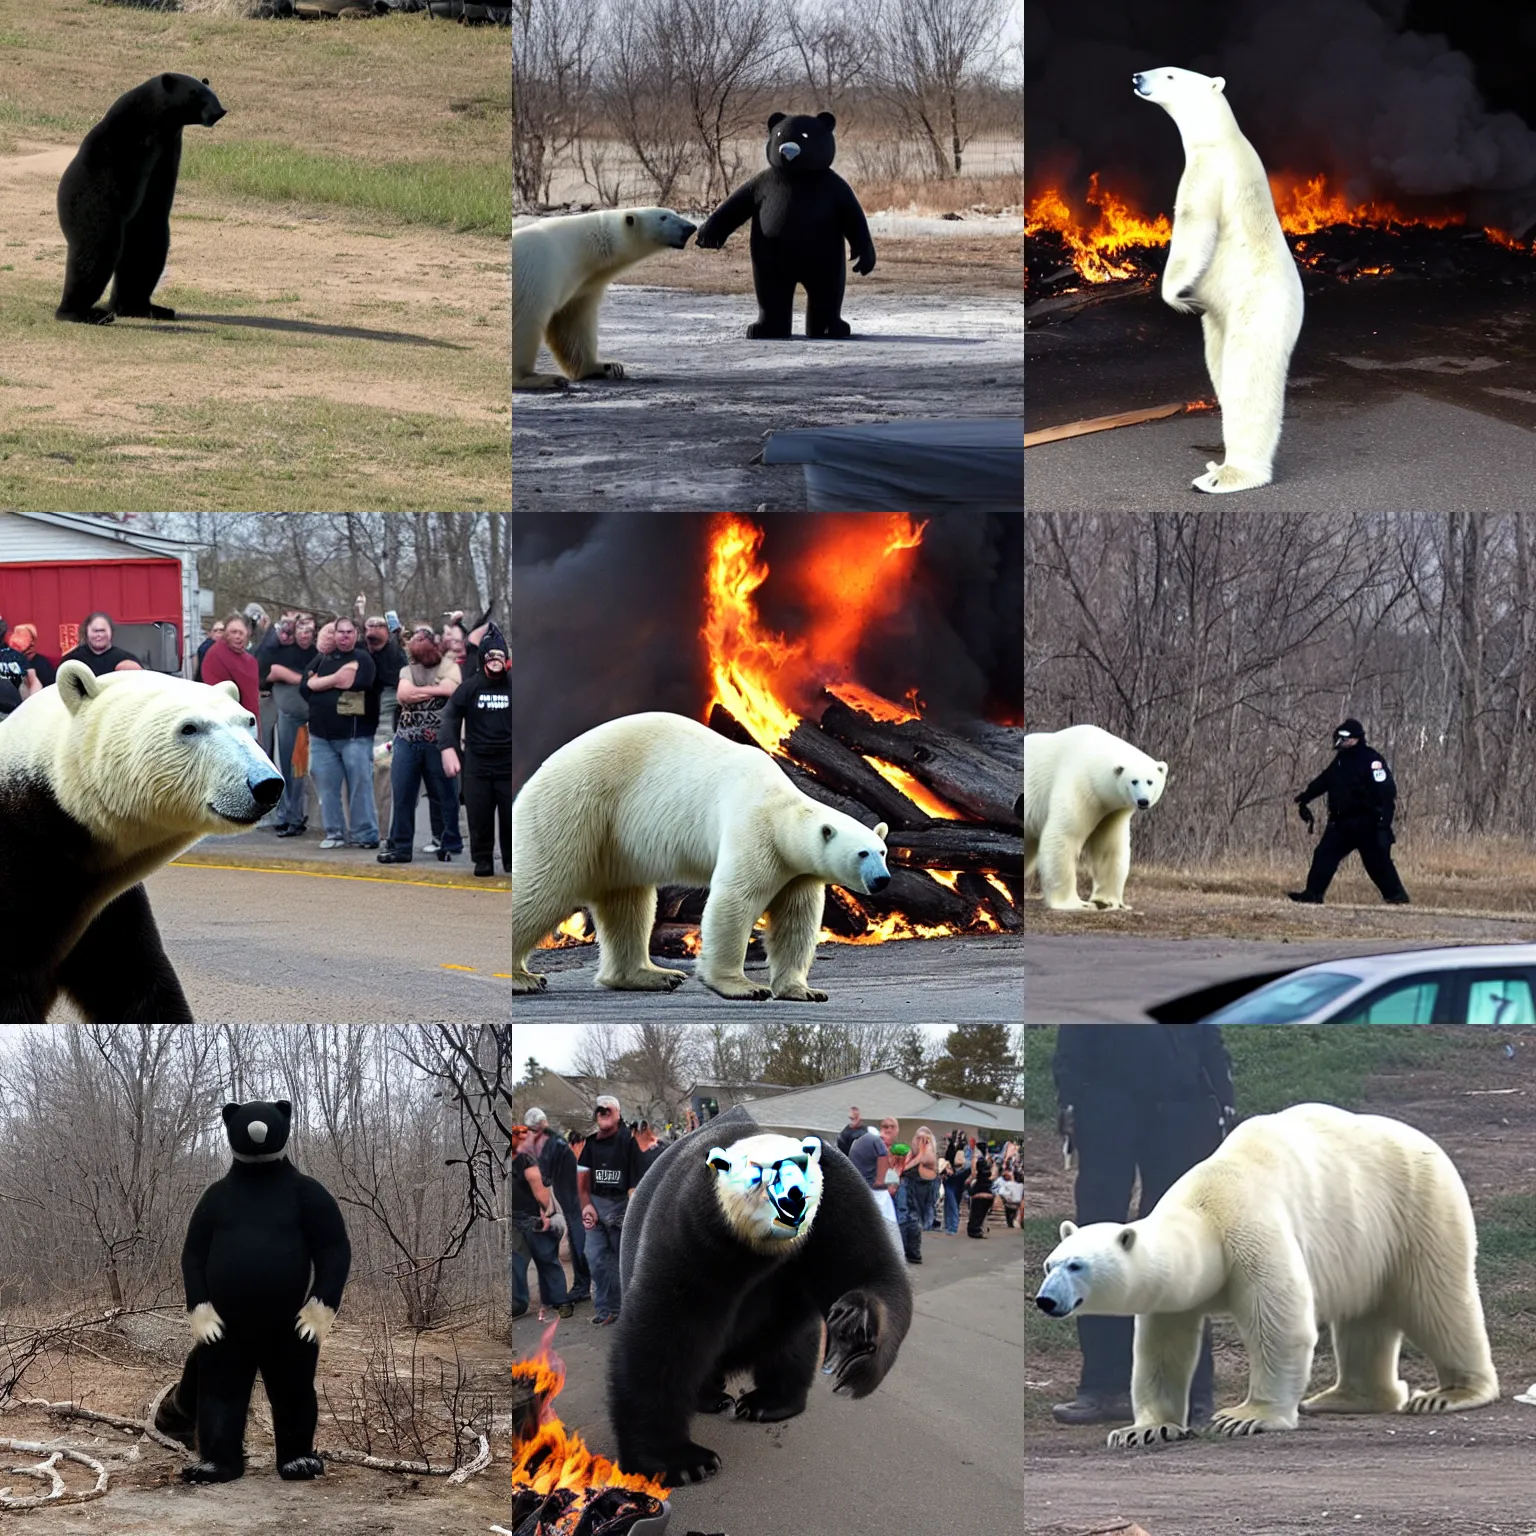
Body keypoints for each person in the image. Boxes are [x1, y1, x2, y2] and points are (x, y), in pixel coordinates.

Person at [1049, 1023, 1234, 1426]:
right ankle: (1103, 1386)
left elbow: (1208, 1032)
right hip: (1105, 1099)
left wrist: (1223, 1094)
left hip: (1184, 1104)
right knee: (1097, 1242)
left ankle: (1187, 1389)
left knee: (1180, 1245)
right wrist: (1069, 1096)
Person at [1290, 717, 1409, 905]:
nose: (1340, 742)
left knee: (1377, 862)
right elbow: (1325, 780)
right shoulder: (1340, 761)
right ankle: (1312, 894)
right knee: (1324, 855)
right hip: (1341, 822)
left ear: (1355, 739)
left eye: (1343, 738)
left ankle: (1396, 897)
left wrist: (1384, 822)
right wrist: (1306, 796)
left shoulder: (1371, 759)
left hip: (1367, 822)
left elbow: (1387, 790)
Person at [377, 629, 462, 865]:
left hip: (440, 740)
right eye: (415, 641)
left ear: (435, 646)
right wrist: (432, 691)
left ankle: (447, 842)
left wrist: (419, 692)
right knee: (403, 794)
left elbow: (451, 691)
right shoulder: (407, 669)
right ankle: (401, 846)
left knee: (444, 794)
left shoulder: (450, 667)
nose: (419, 644)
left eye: (424, 640)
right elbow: (404, 694)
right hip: (406, 738)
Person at [300, 618, 379, 851]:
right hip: (321, 736)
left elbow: (358, 682)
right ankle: (334, 833)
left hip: (355, 736)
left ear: (356, 634)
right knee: (327, 788)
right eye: (339, 632)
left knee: (360, 786)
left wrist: (320, 683)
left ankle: (365, 834)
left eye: (349, 632)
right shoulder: (323, 658)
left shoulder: (363, 658)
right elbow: (304, 687)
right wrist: (334, 680)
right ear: (333, 635)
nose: (344, 636)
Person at [439, 623, 510, 877]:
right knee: (478, 814)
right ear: (483, 660)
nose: (495, 662)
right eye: (490, 657)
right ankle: (482, 859)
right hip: (477, 763)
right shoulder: (470, 687)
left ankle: (512, 860)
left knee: (512, 814)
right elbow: (449, 717)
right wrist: (447, 747)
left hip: (510, 762)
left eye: (499, 658)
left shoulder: (515, 684)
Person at [577, 1095, 642, 1326]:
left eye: (608, 1110)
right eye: (599, 1110)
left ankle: (634, 1311)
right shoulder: (591, 1143)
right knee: (595, 1258)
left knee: (626, 1261)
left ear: (617, 1113)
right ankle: (607, 1310)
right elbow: (582, 1178)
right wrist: (586, 1205)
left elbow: (637, 1181)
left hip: (622, 1206)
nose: (603, 1113)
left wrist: (631, 1210)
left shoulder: (630, 1140)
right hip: (596, 1205)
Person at [525, 1107, 590, 1306]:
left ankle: (582, 1286)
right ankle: (582, 1285)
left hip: (572, 1202)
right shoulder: (556, 1141)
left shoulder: (548, 1145)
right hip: (572, 1200)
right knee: (577, 1242)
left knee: (579, 1245)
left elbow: (545, 1179)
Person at [510, 1124, 572, 1322]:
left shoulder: (527, 1161)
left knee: (547, 1260)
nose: (519, 1137)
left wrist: (547, 1215)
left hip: (533, 1219)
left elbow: (541, 1192)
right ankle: (517, 1305)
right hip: (514, 1220)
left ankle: (561, 1301)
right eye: (515, 1134)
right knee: (516, 1263)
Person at [263, 614, 316, 838]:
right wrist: (304, 678)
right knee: (284, 767)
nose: (305, 634)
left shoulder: (317, 654)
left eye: (309, 630)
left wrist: (294, 677)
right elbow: (269, 670)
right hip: (286, 716)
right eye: (300, 629)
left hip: (309, 719)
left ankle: (296, 817)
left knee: (299, 769)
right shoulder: (280, 651)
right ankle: (285, 815)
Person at [198, 614, 260, 720]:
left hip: (248, 716)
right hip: (223, 716)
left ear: (247, 634)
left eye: (241, 633)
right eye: (233, 632)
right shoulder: (217, 654)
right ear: (226, 634)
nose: (237, 636)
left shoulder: (250, 661)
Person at [896, 1125, 939, 1264]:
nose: (920, 1140)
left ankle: (912, 1252)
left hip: (919, 1192)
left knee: (912, 1220)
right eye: (918, 1137)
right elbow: (902, 1169)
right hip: (907, 1188)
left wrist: (921, 1149)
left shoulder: (928, 1153)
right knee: (904, 1219)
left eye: (924, 1138)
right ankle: (905, 1252)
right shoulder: (912, 1153)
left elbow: (926, 1160)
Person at [61, 613, 142, 676]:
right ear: (86, 632)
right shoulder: (72, 659)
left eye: (102, 631)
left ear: (111, 632)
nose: (99, 635)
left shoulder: (126, 659)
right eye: (95, 631)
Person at [6, 625, 53, 694]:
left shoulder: (42, 663)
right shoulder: (8, 662)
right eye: (15, 634)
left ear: (32, 641)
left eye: (21, 635)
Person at [942, 1130, 971, 1236]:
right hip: (951, 1178)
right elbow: (945, 1160)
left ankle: (951, 1226)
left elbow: (968, 1165)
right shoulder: (951, 1147)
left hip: (958, 1178)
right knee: (951, 1201)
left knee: (953, 1202)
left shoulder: (966, 1148)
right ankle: (950, 1226)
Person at [965, 1141, 994, 1238]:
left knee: (975, 1208)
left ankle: (974, 1229)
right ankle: (980, 1228)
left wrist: (968, 1181)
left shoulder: (975, 1158)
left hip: (979, 1185)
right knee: (983, 1211)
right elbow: (994, 1173)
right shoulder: (989, 1158)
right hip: (988, 1187)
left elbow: (974, 1174)